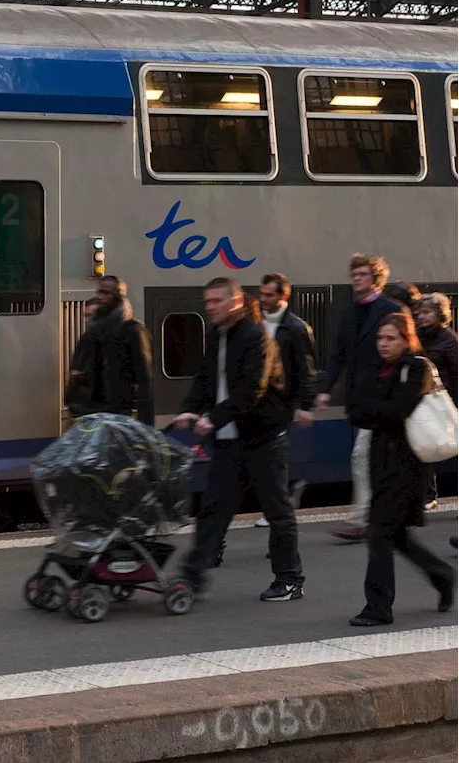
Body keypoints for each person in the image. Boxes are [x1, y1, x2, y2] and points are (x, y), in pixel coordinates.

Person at [173, 277, 303, 602]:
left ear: (235, 302)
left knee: (277, 511)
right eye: (207, 301)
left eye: (216, 301)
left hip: (263, 437)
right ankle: (192, 575)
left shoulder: (255, 336)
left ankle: (290, 579)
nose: (210, 307)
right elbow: (204, 379)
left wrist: (212, 418)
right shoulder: (217, 335)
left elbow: (252, 389)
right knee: (213, 509)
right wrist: (190, 410)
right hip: (230, 439)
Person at [346, 312, 456, 626]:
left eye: (391, 338)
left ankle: (378, 608)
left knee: (379, 533)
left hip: (409, 465)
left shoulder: (417, 367)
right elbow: (355, 411)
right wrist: (379, 410)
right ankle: (443, 575)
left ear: (406, 339)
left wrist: (374, 410)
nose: (384, 344)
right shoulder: (376, 369)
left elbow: (399, 411)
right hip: (381, 461)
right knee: (397, 536)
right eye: (381, 338)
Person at [316, 254, 403, 543]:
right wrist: (326, 388)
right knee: (378, 458)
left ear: (376, 278)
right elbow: (338, 354)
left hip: (385, 398)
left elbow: (406, 352)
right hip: (361, 400)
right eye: (354, 274)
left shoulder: (392, 310)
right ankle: (385, 516)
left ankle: (361, 519)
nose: (356, 279)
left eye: (362, 274)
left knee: (362, 455)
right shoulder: (349, 313)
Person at [253, 273, 318, 529]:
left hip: (282, 403)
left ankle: (276, 509)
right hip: (257, 401)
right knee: (262, 457)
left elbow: (306, 368)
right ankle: (288, 489)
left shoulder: (296, 328)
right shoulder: (255, 323)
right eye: (262, 294)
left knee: (272, 458)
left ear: (284, 296)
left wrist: (305, 405)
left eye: (269, 295)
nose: (263, 299)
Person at [75, 276, 154, 426]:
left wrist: (145, 425)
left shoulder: (133, 331)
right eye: (99, 292)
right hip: (99, 413)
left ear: (119, 296)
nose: (100, 297)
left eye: (106, 293)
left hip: (123, 415)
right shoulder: (95, 332)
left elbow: (146, 381)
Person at [412, 293, 459, 513]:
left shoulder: (449, 341)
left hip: (448, 404)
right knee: (425, 447)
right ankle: (427, 496)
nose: (421, 316)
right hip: (427, 404)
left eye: (427, 312)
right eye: (419, 312)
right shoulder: (418, 336)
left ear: (440, 314)